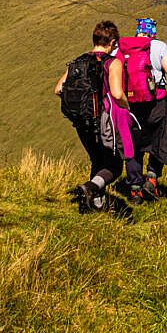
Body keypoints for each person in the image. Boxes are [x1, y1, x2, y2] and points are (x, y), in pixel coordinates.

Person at [55, 21, 132, 212]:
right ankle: (89, 188)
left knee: (97, 160)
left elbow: (58, 89)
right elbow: (116, 93)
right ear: (112, 42)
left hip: (80, 121)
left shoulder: (77, 62)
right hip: (102, 122)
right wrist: (127, 106)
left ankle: (92, 203)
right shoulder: (112, 62)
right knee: (114, 166)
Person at [117, 17, 167, 205]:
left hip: (129, 103)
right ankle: (151, 178)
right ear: (153, 31)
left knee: (134, 145)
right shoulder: (159, 46)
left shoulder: (122, 47)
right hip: (156, 102)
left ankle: (134, 191)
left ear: (137, 30)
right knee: (161, 138)